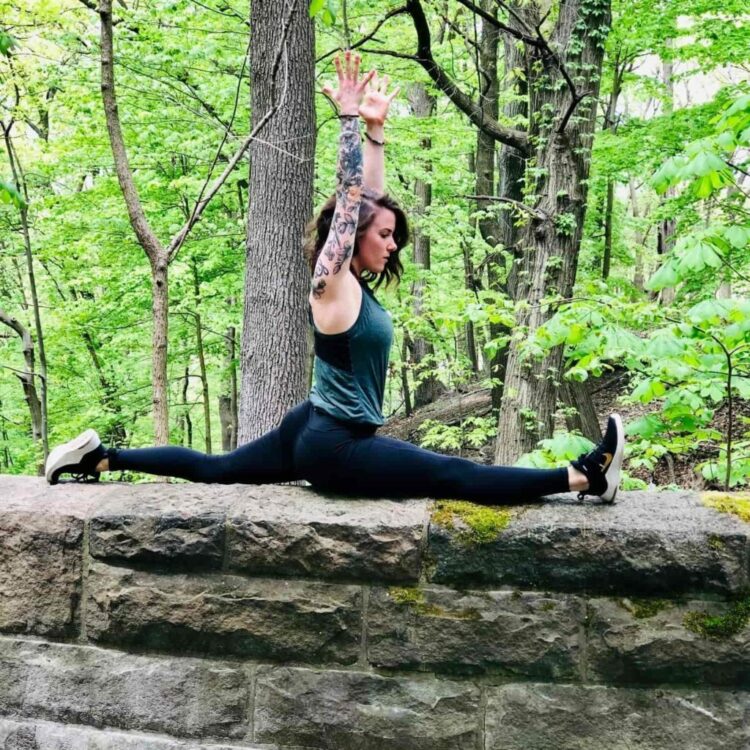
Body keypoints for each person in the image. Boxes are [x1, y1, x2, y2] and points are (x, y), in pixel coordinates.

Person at [45, 52, 625, 504]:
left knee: (218, 469)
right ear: (351, 238)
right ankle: (585, 477)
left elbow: (366, 200)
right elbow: (351, 203)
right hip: (334, 447)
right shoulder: (332, 282)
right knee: (451, 474)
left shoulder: (351, 284)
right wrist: (347, 121)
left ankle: (100, 457)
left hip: (313, 423)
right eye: (386, 236)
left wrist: (375, 131)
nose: (392, 244)